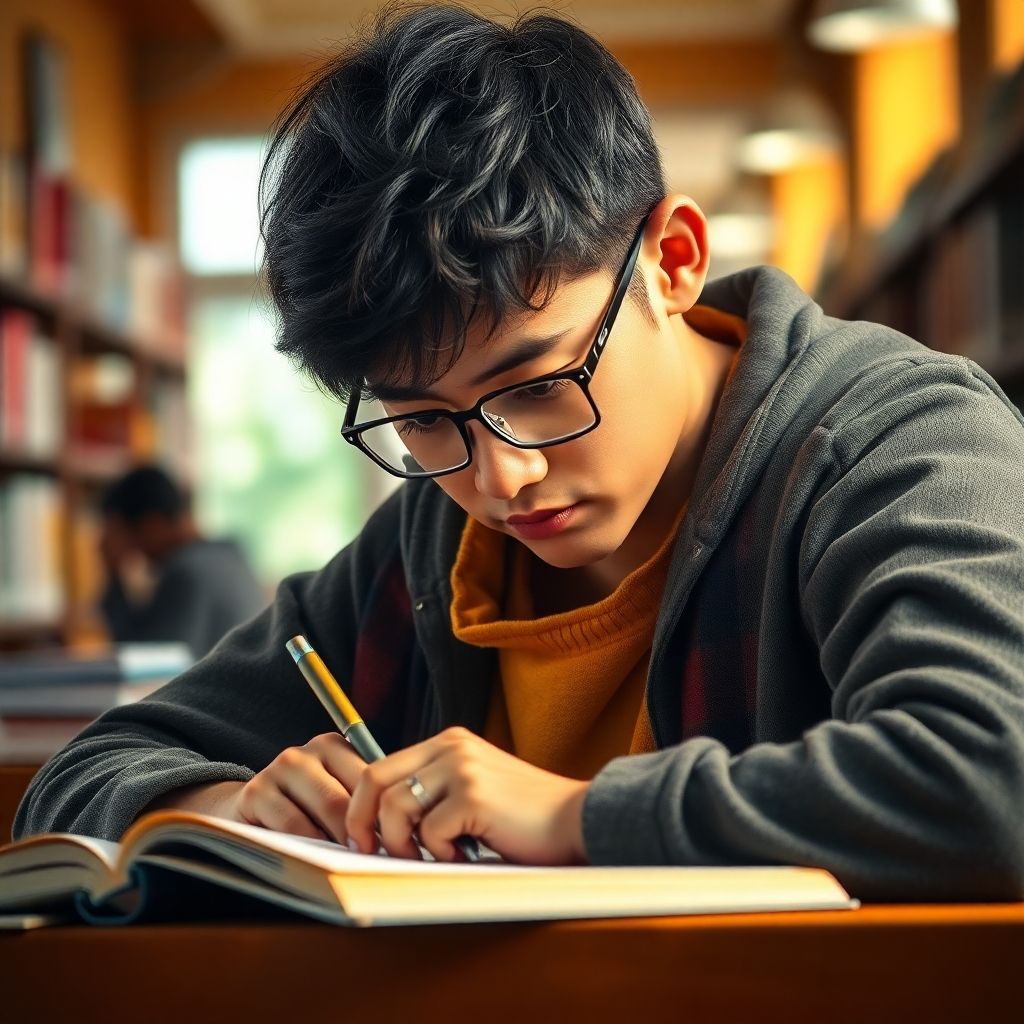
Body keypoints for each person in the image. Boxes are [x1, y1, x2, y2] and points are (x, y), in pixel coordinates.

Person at [15, 5, 1024, 900]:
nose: (500, 480)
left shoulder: (895, 442)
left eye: (540, 388)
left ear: (670, 261)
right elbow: (84, 774)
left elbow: (993, 776)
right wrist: (226, 799)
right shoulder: (430, 540)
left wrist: (569, 818)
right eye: (422, 420)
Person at [98, 465, 264, 659]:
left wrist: (114, 575)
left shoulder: (187, 572)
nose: (137, 552)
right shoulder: (230, 558)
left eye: (127, 536)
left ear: (153, 524)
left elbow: (148, 664)